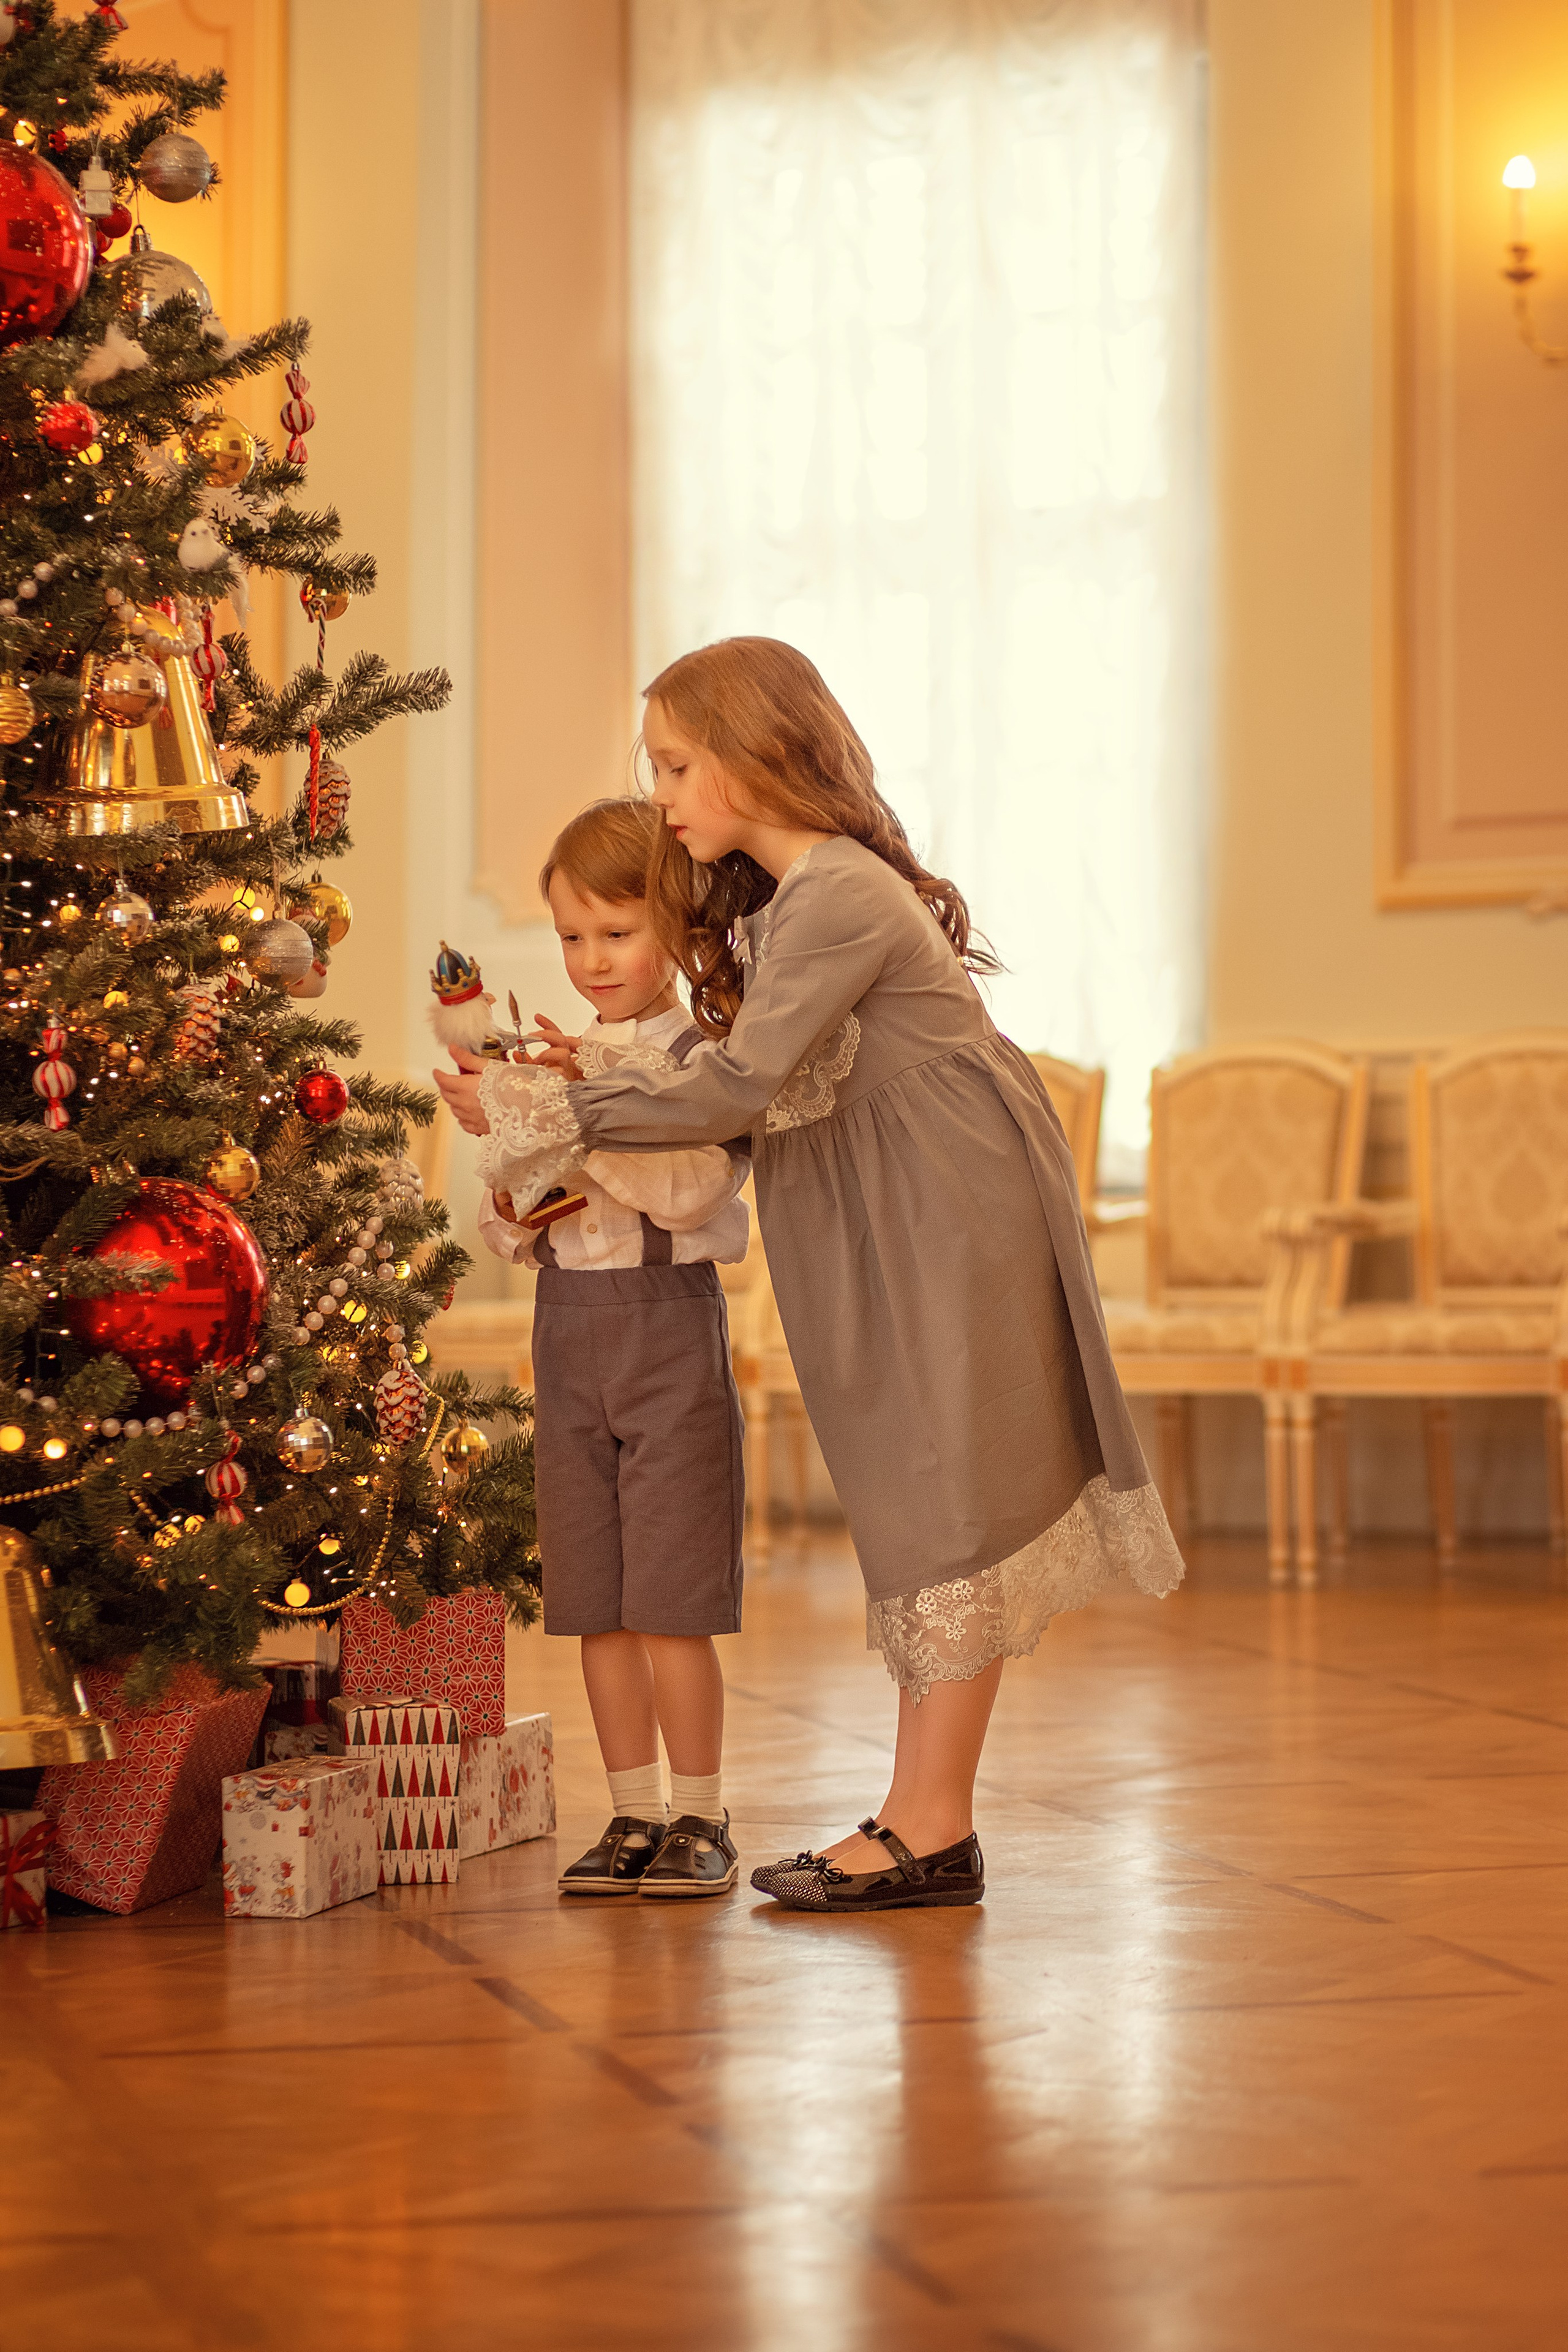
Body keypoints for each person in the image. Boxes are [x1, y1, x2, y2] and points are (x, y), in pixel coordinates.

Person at [437, 638, 1184, 1916]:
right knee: (918, 1492)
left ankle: (932, 1826)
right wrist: (580, 1083)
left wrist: (548, 1109)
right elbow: (726, 1091)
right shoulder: (785, 903)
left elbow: (734, 1087)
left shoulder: (834, 891)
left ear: (754, 754)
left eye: (677, 765)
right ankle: (918, 1812)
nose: (663, 795)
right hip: (888, 1204)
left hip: (943, 1200)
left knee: (945, 1491)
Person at [477, 797, 750, 1899]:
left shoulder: (704, 1058)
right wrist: (514, 1153)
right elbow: (509, 1228)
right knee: (595, 1600)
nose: (592, 960)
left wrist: (579, 1117)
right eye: (571, 936)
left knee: (672, 1601)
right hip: (568, 1333)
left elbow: (689, 1192)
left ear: (677, 927)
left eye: (618, 933)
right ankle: (633, 1810)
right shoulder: (551, 1062)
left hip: (667, 1327)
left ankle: (701, 1814)